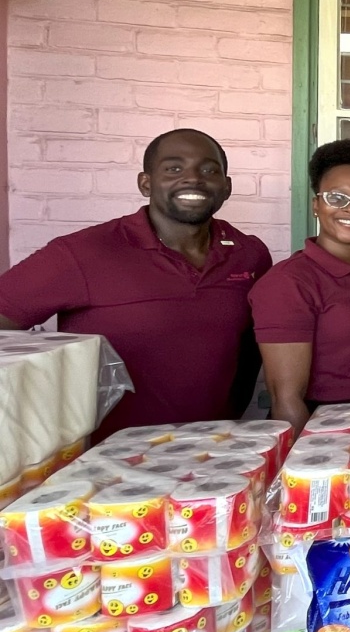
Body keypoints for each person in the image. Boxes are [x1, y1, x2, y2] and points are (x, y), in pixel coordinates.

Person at [0, 129, 272, 439]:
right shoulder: (84, 252)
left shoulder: (249, 254)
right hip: (106, 458)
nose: (193, 178)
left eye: (209, 170)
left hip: (212, 448)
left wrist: (233, 413)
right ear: (146, 183)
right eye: (173, 168)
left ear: (226, 187)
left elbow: (253, 345)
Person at [249, 139, 350, 435]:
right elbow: (286, 399)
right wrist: (306, 467)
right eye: (337, 198)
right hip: (324, 425)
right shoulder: (288, 283)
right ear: (316, 205)